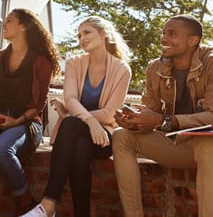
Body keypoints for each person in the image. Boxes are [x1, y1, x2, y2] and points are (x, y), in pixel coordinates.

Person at [112, 14, 213, 217]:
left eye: (171, 34)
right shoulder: (155, 68)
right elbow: (150, 109)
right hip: (178, 144)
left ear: (192, 40)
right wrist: (134, 121)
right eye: (163, 33)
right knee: (120, 136)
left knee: (206, 143)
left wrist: (165, 121)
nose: (163, 39)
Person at [21, 16, 132, 217]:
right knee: (80, 147)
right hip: (76, 134)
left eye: (87, 32)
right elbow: (70, 98)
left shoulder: (122, 70)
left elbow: (109, 113)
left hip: (103, 136)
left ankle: (48, 205)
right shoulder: (74, 63)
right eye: (79, 35)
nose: (82, 38)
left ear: (103, 34)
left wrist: (85, 120)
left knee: (72, 123)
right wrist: (90, 122)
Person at [0, 8, 60, 214]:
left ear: (23, 26)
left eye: (9, 20)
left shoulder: (42, 62)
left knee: (1, 148)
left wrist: (16, 122)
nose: (3, 25)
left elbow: (39, 105)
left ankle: (25, 202)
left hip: (26, 122)